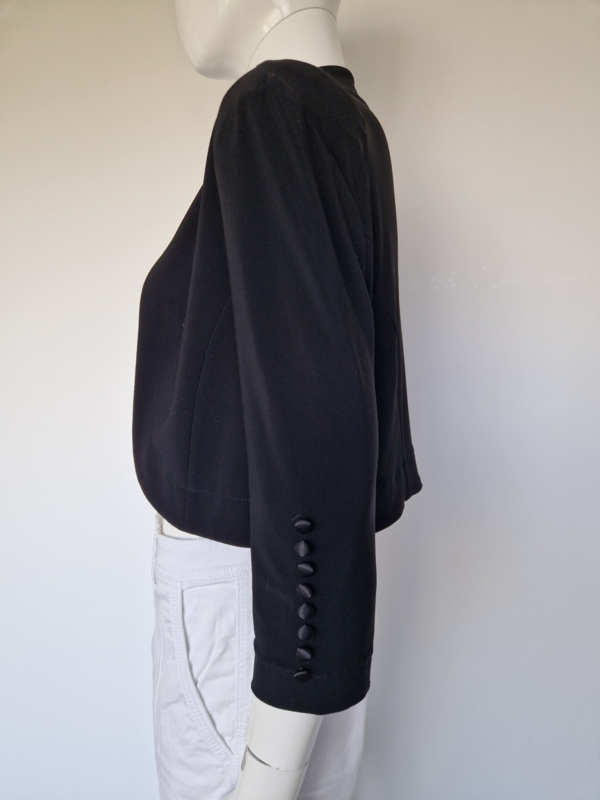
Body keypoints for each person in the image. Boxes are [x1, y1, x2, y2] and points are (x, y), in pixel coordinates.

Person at [132, 1, 423, 797]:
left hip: (257, 607)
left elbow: (314, 416)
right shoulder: (347, 121)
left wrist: (271, 759)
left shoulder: (272, 105)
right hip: (299, 596)